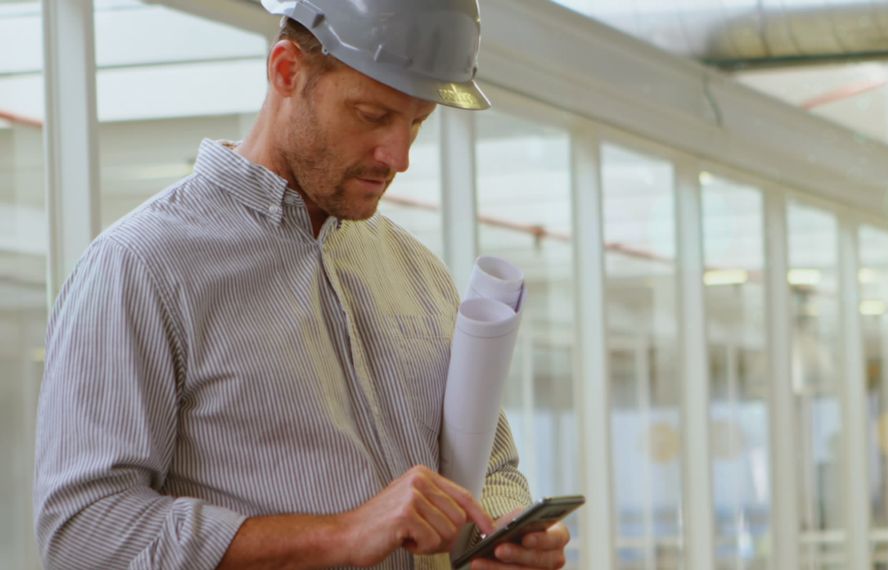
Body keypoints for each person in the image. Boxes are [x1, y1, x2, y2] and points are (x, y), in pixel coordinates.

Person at [33, 0, 570, 568]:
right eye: (371, 115)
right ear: (287, 70)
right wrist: (340, 535)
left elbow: (491, 469)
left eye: (417, 122)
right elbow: (82, 532)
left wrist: (500, 531)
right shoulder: (140, 268)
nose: (400, 156)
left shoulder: (419, 273)